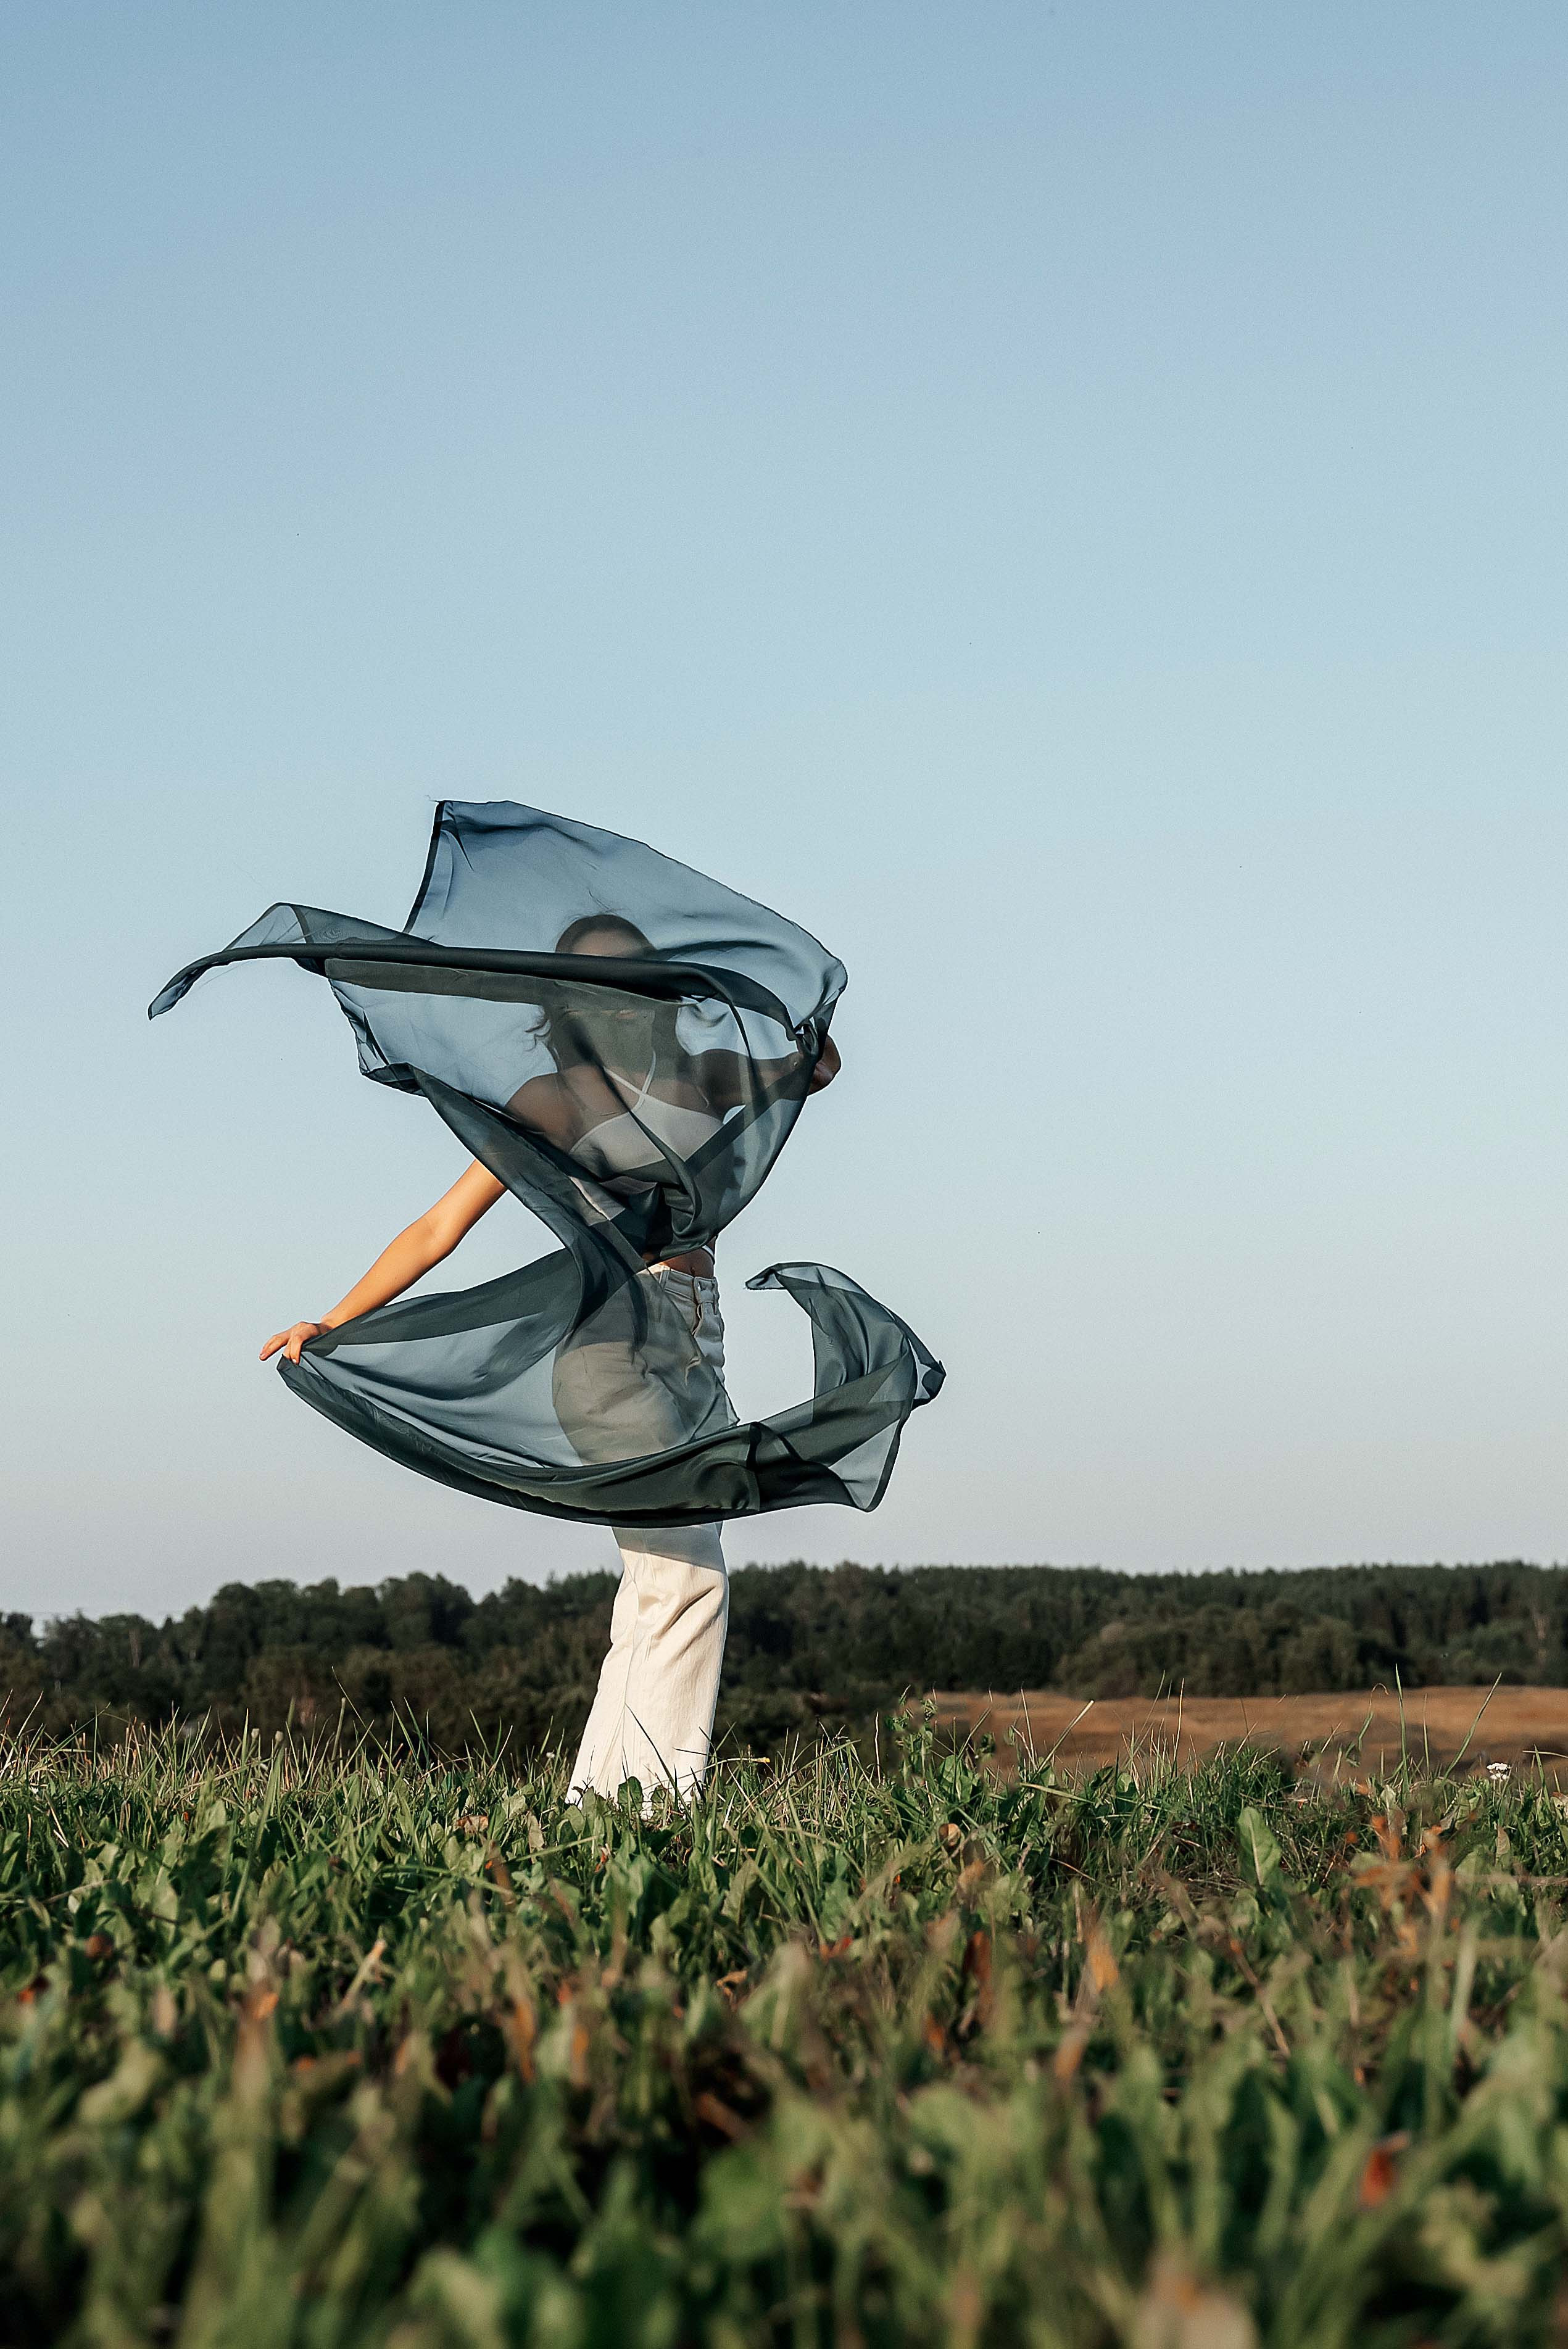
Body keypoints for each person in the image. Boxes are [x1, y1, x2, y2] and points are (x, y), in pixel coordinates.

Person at [261, 914, 840, 1805]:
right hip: (605, 1345)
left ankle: (600, 1804)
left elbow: (819, 1067)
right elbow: (438, 1227)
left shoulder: (704, 1075)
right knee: (688, 1574)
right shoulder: (552, 1100)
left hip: (695, 1340)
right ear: (562, 1003)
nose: (616, 1002)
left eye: (633, 981)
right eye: (593, 988)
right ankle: (659, 1811)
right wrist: (334, 1317)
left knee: (654, 1585)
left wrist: (778, 998)